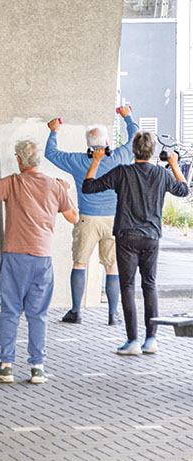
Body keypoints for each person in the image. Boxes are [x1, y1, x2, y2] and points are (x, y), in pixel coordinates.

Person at [0, 140, 79, 384]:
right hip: (42, 258)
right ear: (38, 160)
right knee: (38, 314)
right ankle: (37, 368)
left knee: (10, 312)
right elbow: (73, 217)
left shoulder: (12, 182)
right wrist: (65, 191)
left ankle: (6, 366)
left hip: (15, 257)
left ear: (19, 160)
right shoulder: (55, 185)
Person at [82, 133, 189, 355]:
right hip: (151, 237)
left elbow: (89, 187)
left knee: (128, 287)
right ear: (152, 152)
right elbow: (183, 189)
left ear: (133, 150)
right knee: (149, 285)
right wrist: (173, 163)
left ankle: (132, 341)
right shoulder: (161, 174)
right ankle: (151, 340)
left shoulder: (122, 172)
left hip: (127, 237)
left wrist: (96, 160)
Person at [45, 107, 138, 325]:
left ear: (88, 145)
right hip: (114, 220)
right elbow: (134, 137)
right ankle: (113, 315)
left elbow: (51, 153)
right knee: (112, 266)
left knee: (80, 264)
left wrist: (54, 131)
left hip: (87, 219)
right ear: (106, 143)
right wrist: (127, 116)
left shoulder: (78, 160)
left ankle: (76, 312)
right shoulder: (119, 157)